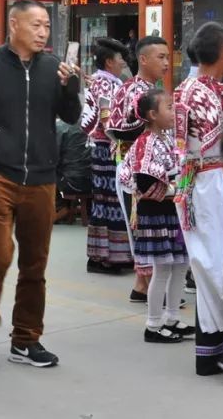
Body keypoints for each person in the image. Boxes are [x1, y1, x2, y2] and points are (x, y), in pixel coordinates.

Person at [0, 0, 82, 371]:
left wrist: (69, 85)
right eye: (36, 25)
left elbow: (71, 117)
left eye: (47, 26)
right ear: (14, 24)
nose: (44, 32)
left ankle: (26, 339)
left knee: (35, 264)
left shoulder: (51, 68)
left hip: (42, 179)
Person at [174, 22, 223, 376]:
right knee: (220, 264)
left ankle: (211, 352)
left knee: (211, 264)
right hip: (211, 183)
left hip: (203, 182)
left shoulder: (202, 87)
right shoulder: (202, 92)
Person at [119, 89, 193, 343]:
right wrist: (175, 189)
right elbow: (144, 182)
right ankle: (153, 324)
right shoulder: (146, 142)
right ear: (152, 114)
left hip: (172, 210)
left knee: (180, 266)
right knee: (162, 269)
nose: (174, 112)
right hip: (157, 211)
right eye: (169, 108)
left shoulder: (166, 138)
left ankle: (171, 318)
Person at [107, 35, 171, 301]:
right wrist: (150, 125)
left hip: (150, 168)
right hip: (137, 172)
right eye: (161, 57)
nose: (167, 63)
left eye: (168, 57)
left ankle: (143, 286)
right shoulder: (134, 90)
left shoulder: (148, 89)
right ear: (143, 59)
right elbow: (114, 128)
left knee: (150, 226)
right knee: (145, 226)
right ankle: (151, 287)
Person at [81, 37, 132, 274]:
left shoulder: (107, 82)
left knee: (108, 200)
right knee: (110, 200)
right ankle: (108, 256)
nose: (123, 63)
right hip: (109, 147)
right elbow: (106, 119)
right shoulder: (106, 84)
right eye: (120, 59)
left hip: (107, 146)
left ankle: (105, 255)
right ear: (110, 62)